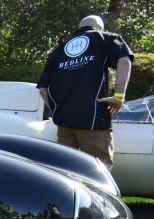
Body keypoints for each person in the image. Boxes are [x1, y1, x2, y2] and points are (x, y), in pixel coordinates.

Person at [37, 15, 134, 169]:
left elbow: (43, 89)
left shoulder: (58, 51)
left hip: (64, 123)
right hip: (93, 121)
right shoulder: (106, 38)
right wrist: (119, 97)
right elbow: (124, 61)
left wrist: (57, 110)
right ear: (99, 28)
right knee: (98, 171)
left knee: (64, 171)